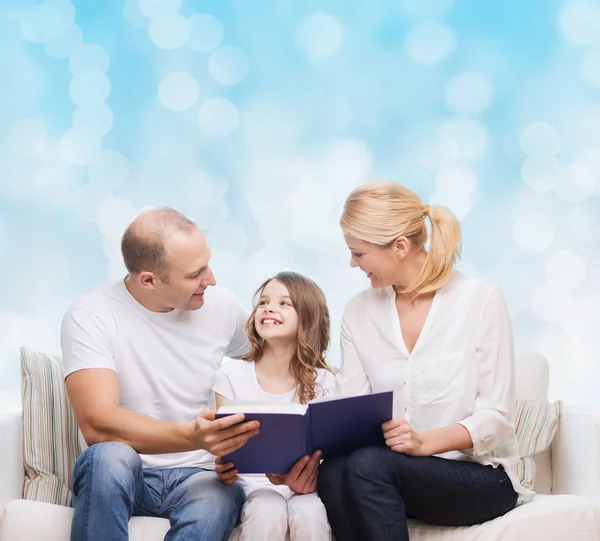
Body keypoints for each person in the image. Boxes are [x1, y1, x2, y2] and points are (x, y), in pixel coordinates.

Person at [317, 181, 533, 541]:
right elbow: (351, 410)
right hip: (390, 474)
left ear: (399, 247)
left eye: (359, 253)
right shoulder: (358, 311)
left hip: (478, 477)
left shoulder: (479, 300)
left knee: (367, 466)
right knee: (334, 470)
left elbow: (496, 418)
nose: (352, 264)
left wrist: (424, 443)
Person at [61, 207, 260, 541]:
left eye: (208, 264)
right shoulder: (91, 314)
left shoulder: (222, 306)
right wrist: (193, 435)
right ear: (149, 280)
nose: (211, 280)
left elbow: (280, 363)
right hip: (130, 473)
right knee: (108, 456)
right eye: (196, 273)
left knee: (217, 493)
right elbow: (97, 423)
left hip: (203, 475)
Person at [213, 272, 335, 541]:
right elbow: (226, 446)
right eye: (264, 302)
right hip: (253, 487)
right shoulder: (231, 376)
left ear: (308, 317)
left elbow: (333, 451)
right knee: (267, 509)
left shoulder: (327, 381)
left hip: (307, 488)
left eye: (284, 303)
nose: (269, 308)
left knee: (310, 511)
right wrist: (222, 465)